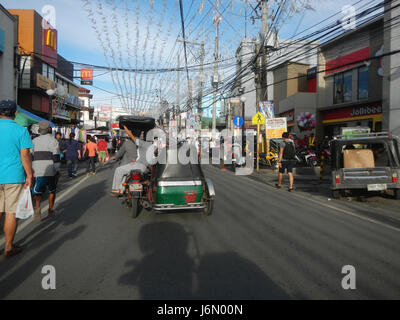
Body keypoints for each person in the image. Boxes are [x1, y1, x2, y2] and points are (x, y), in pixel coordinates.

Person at [0, 100, 34, 257]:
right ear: (15, 113)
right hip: (13, 176)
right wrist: (29, 174)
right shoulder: (21, 131)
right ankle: (8, 247)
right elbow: (25, 154)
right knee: (11, 212)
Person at [111, 126, 155, 196]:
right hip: (144, 167)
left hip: (137, 165)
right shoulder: (153, 146)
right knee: (126, 173)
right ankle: (121, 189)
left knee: (118, 170)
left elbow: (131, 136)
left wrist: (125, 127)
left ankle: (117, 189)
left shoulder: (143, 143)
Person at [31, 121, 60, 221]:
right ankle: (50, 209)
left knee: (38, 191)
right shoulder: (54, 141)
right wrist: (57, 170)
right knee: (52, 190)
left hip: (37, 170)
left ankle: (38, 208)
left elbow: (31, 156)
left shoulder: (34, 141)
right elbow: (56, 158)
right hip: (50, 170)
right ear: (49, 130)